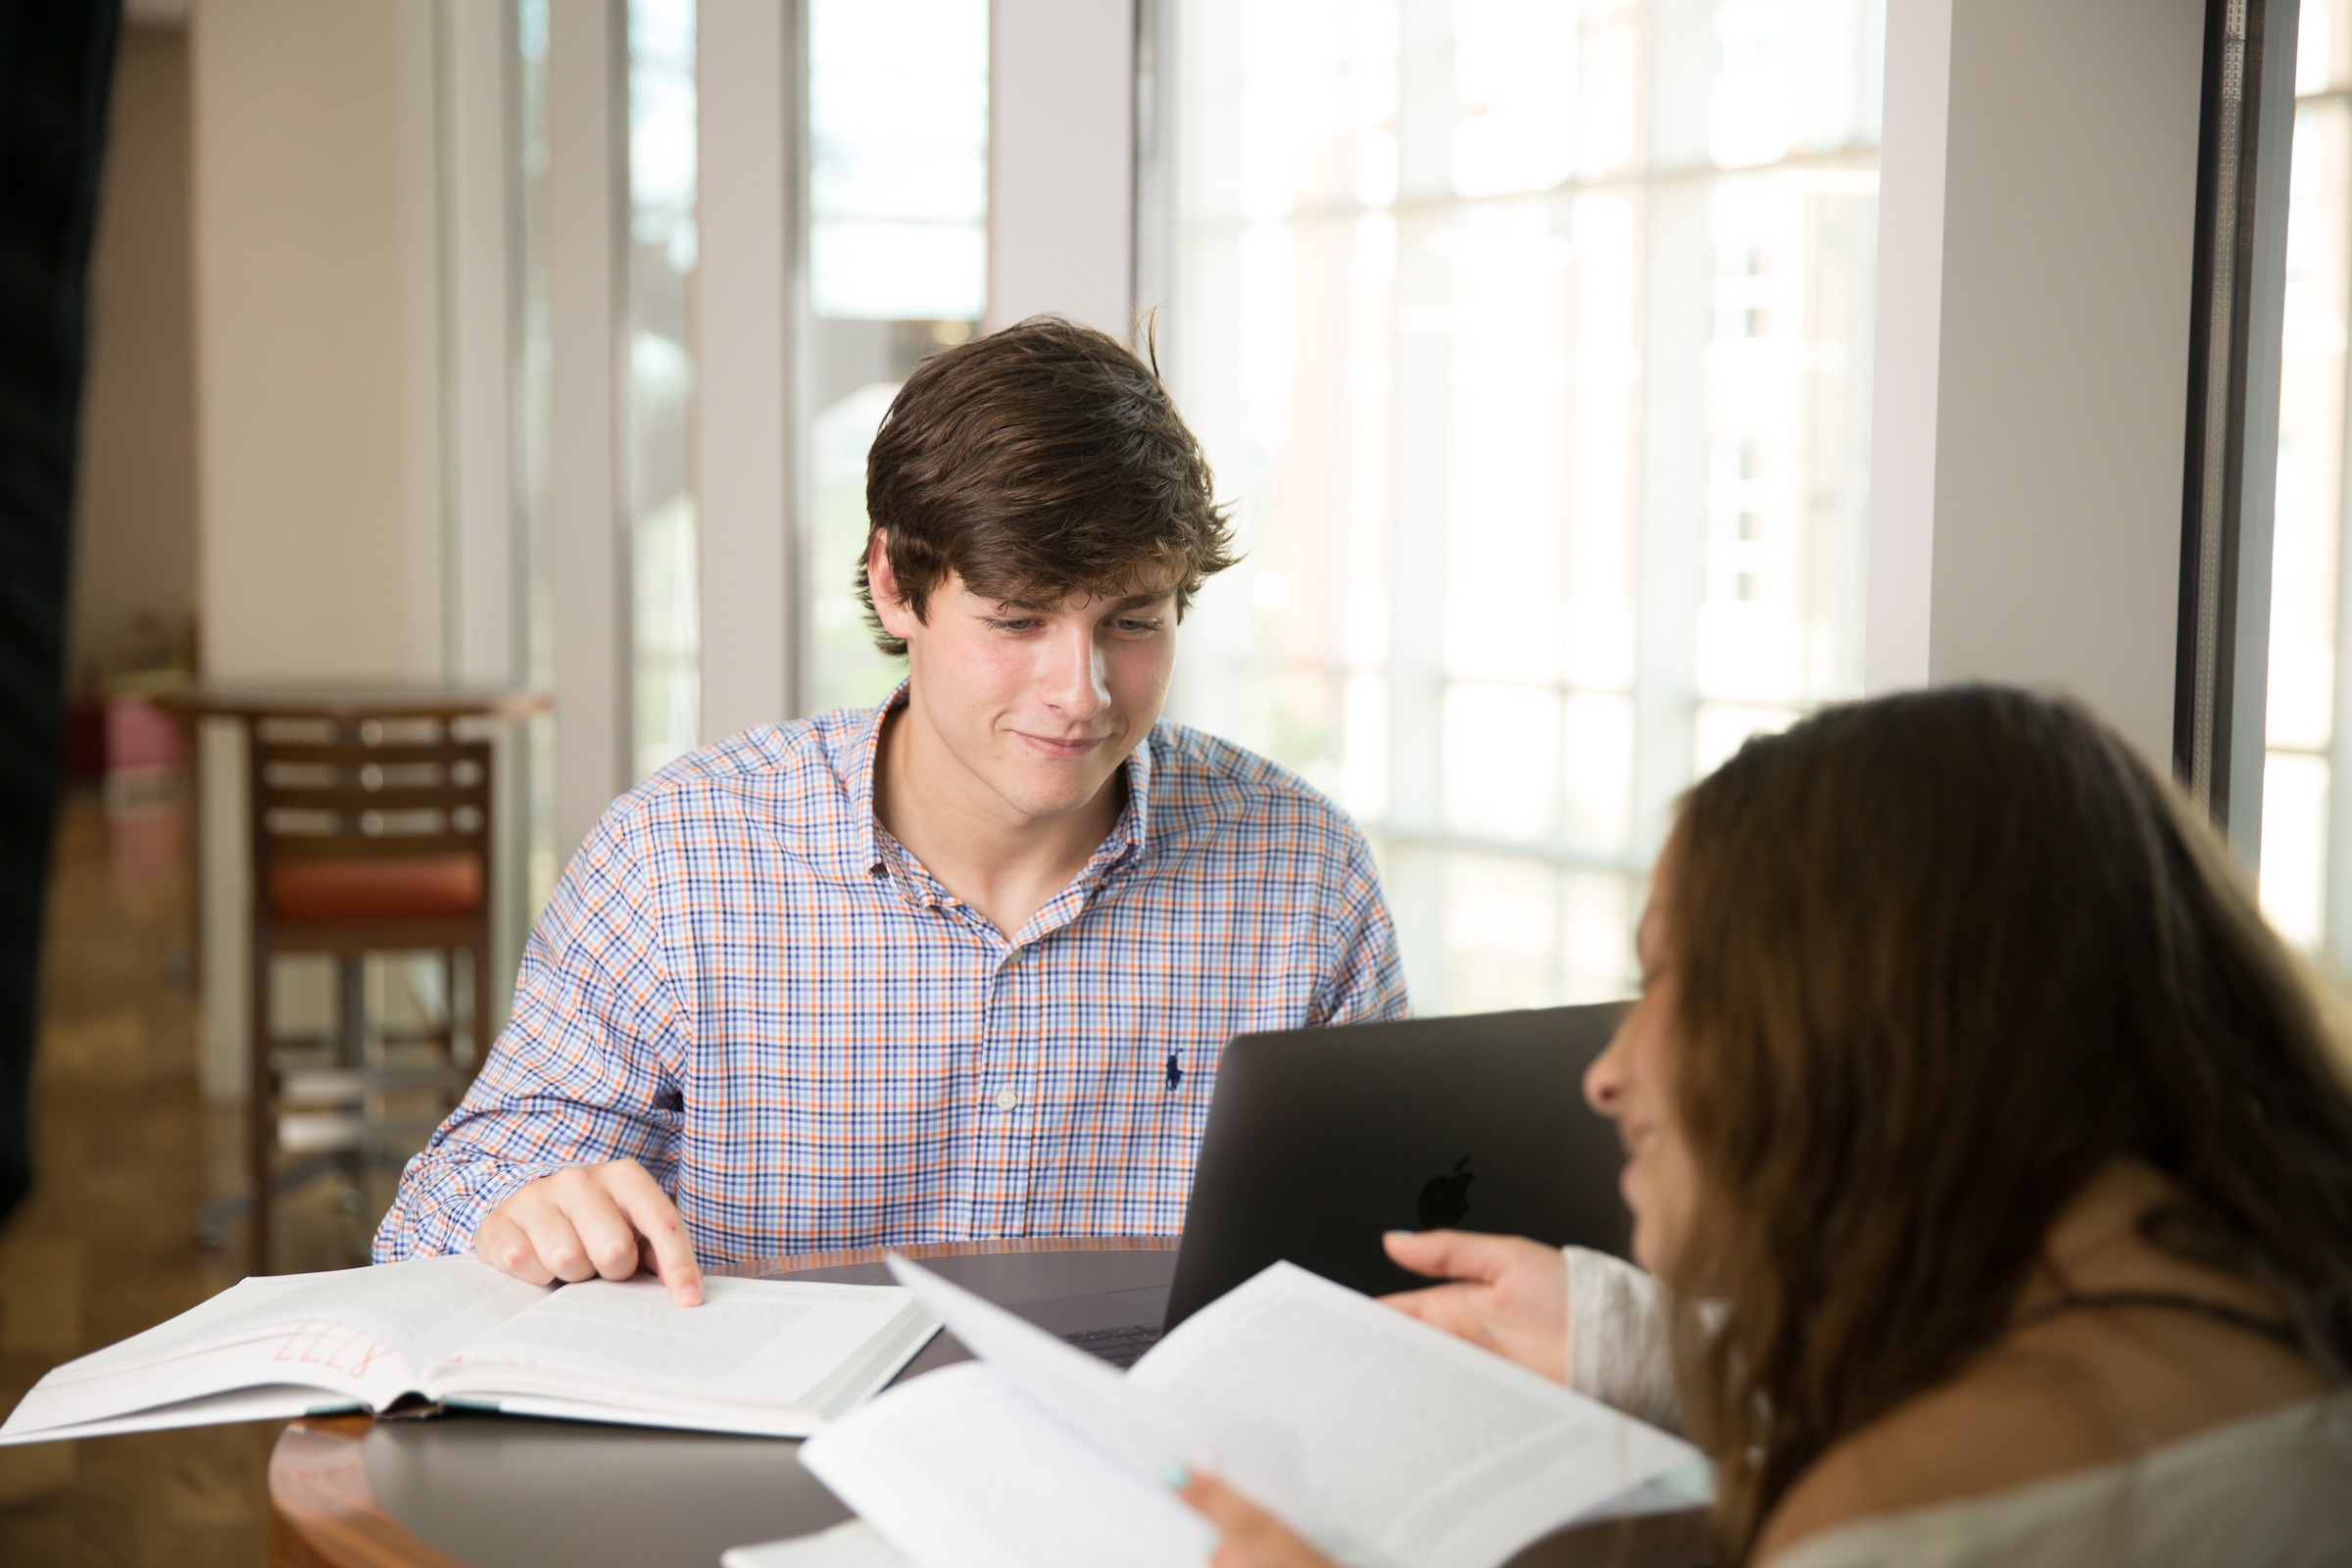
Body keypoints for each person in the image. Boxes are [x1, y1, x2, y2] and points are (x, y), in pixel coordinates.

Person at [1175, 686, 2352, 1565]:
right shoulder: (2270, 1330)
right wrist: (1621, 1335)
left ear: (1872, 1021)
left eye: (1681, 978)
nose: (1608, 1071)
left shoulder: (1894, 1521)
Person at [373, 318, 1408, 1299]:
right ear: (894, 585)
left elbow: (1389, 1248)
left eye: (1133, 622)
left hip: (1161, 1475)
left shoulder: (1303, 874)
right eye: (1017, 620)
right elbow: (428, 1226)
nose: (1081, 690)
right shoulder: (679, 858)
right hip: (772, 1477)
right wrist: (521, 1216)